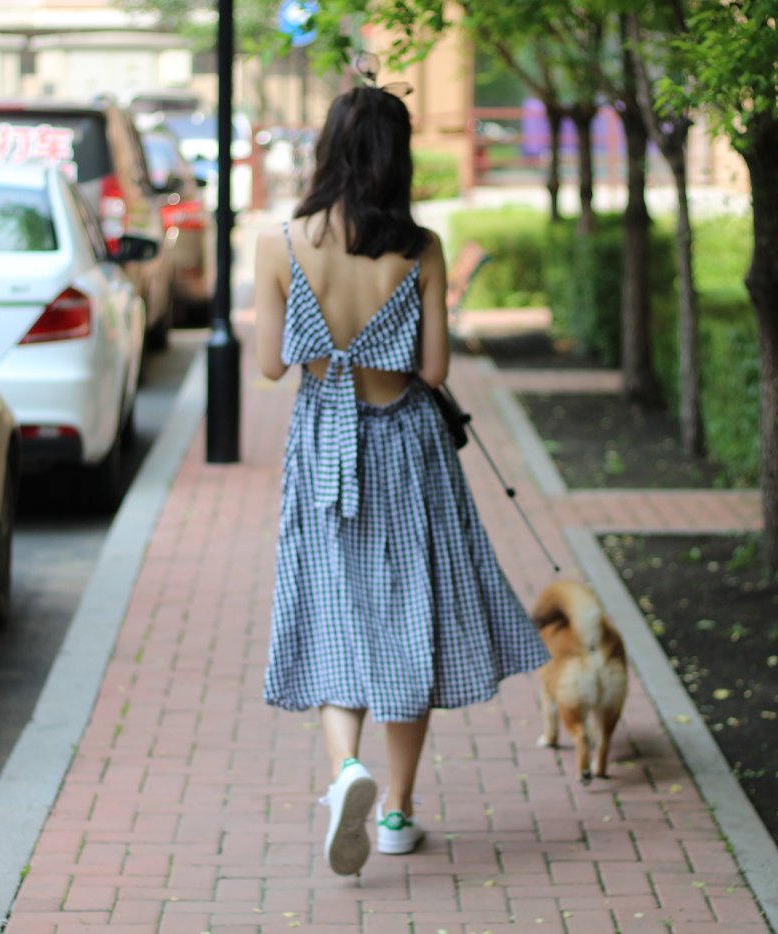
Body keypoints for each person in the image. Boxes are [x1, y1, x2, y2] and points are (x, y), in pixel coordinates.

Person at [253, 78, 550, 878]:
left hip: (324, 447)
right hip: (406, 451)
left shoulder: (281, 242)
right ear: (397, 158)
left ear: (330, 149)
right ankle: (396, 812)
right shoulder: (421, 249)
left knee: (333, 611)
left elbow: (270, 366)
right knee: (408, 620)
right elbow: (434, 368)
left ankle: (345, 768)